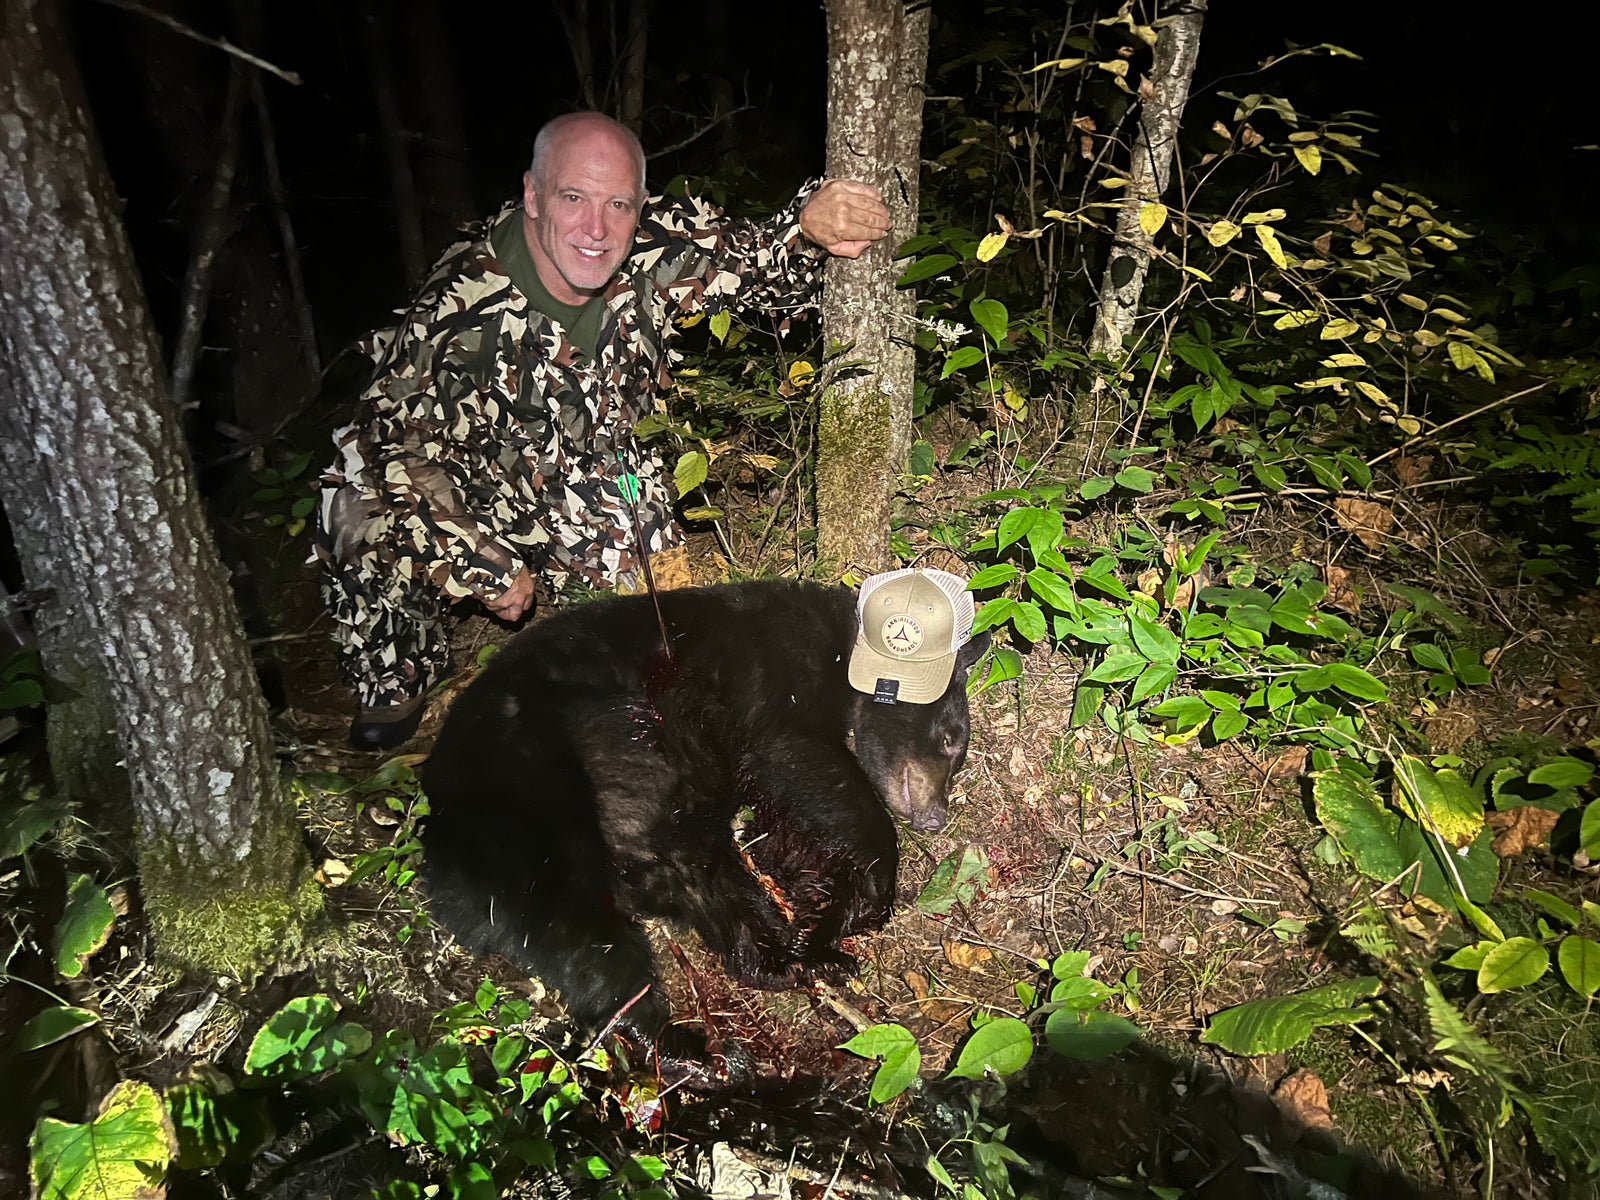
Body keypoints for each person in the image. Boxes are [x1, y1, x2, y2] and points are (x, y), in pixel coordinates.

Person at [315, 111, 892, 750]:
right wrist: (478, 562)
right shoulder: (454, 311)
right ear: (533, 195)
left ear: (639, 204)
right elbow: (371, 455)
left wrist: (809, 225)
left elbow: (751, 258)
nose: (596, 229)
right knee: (347, 504)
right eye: (573, 198)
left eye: (618, 204)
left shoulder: (650, 243)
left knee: (669, 642)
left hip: (591, 479)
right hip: (475, 489)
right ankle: (396, 673)